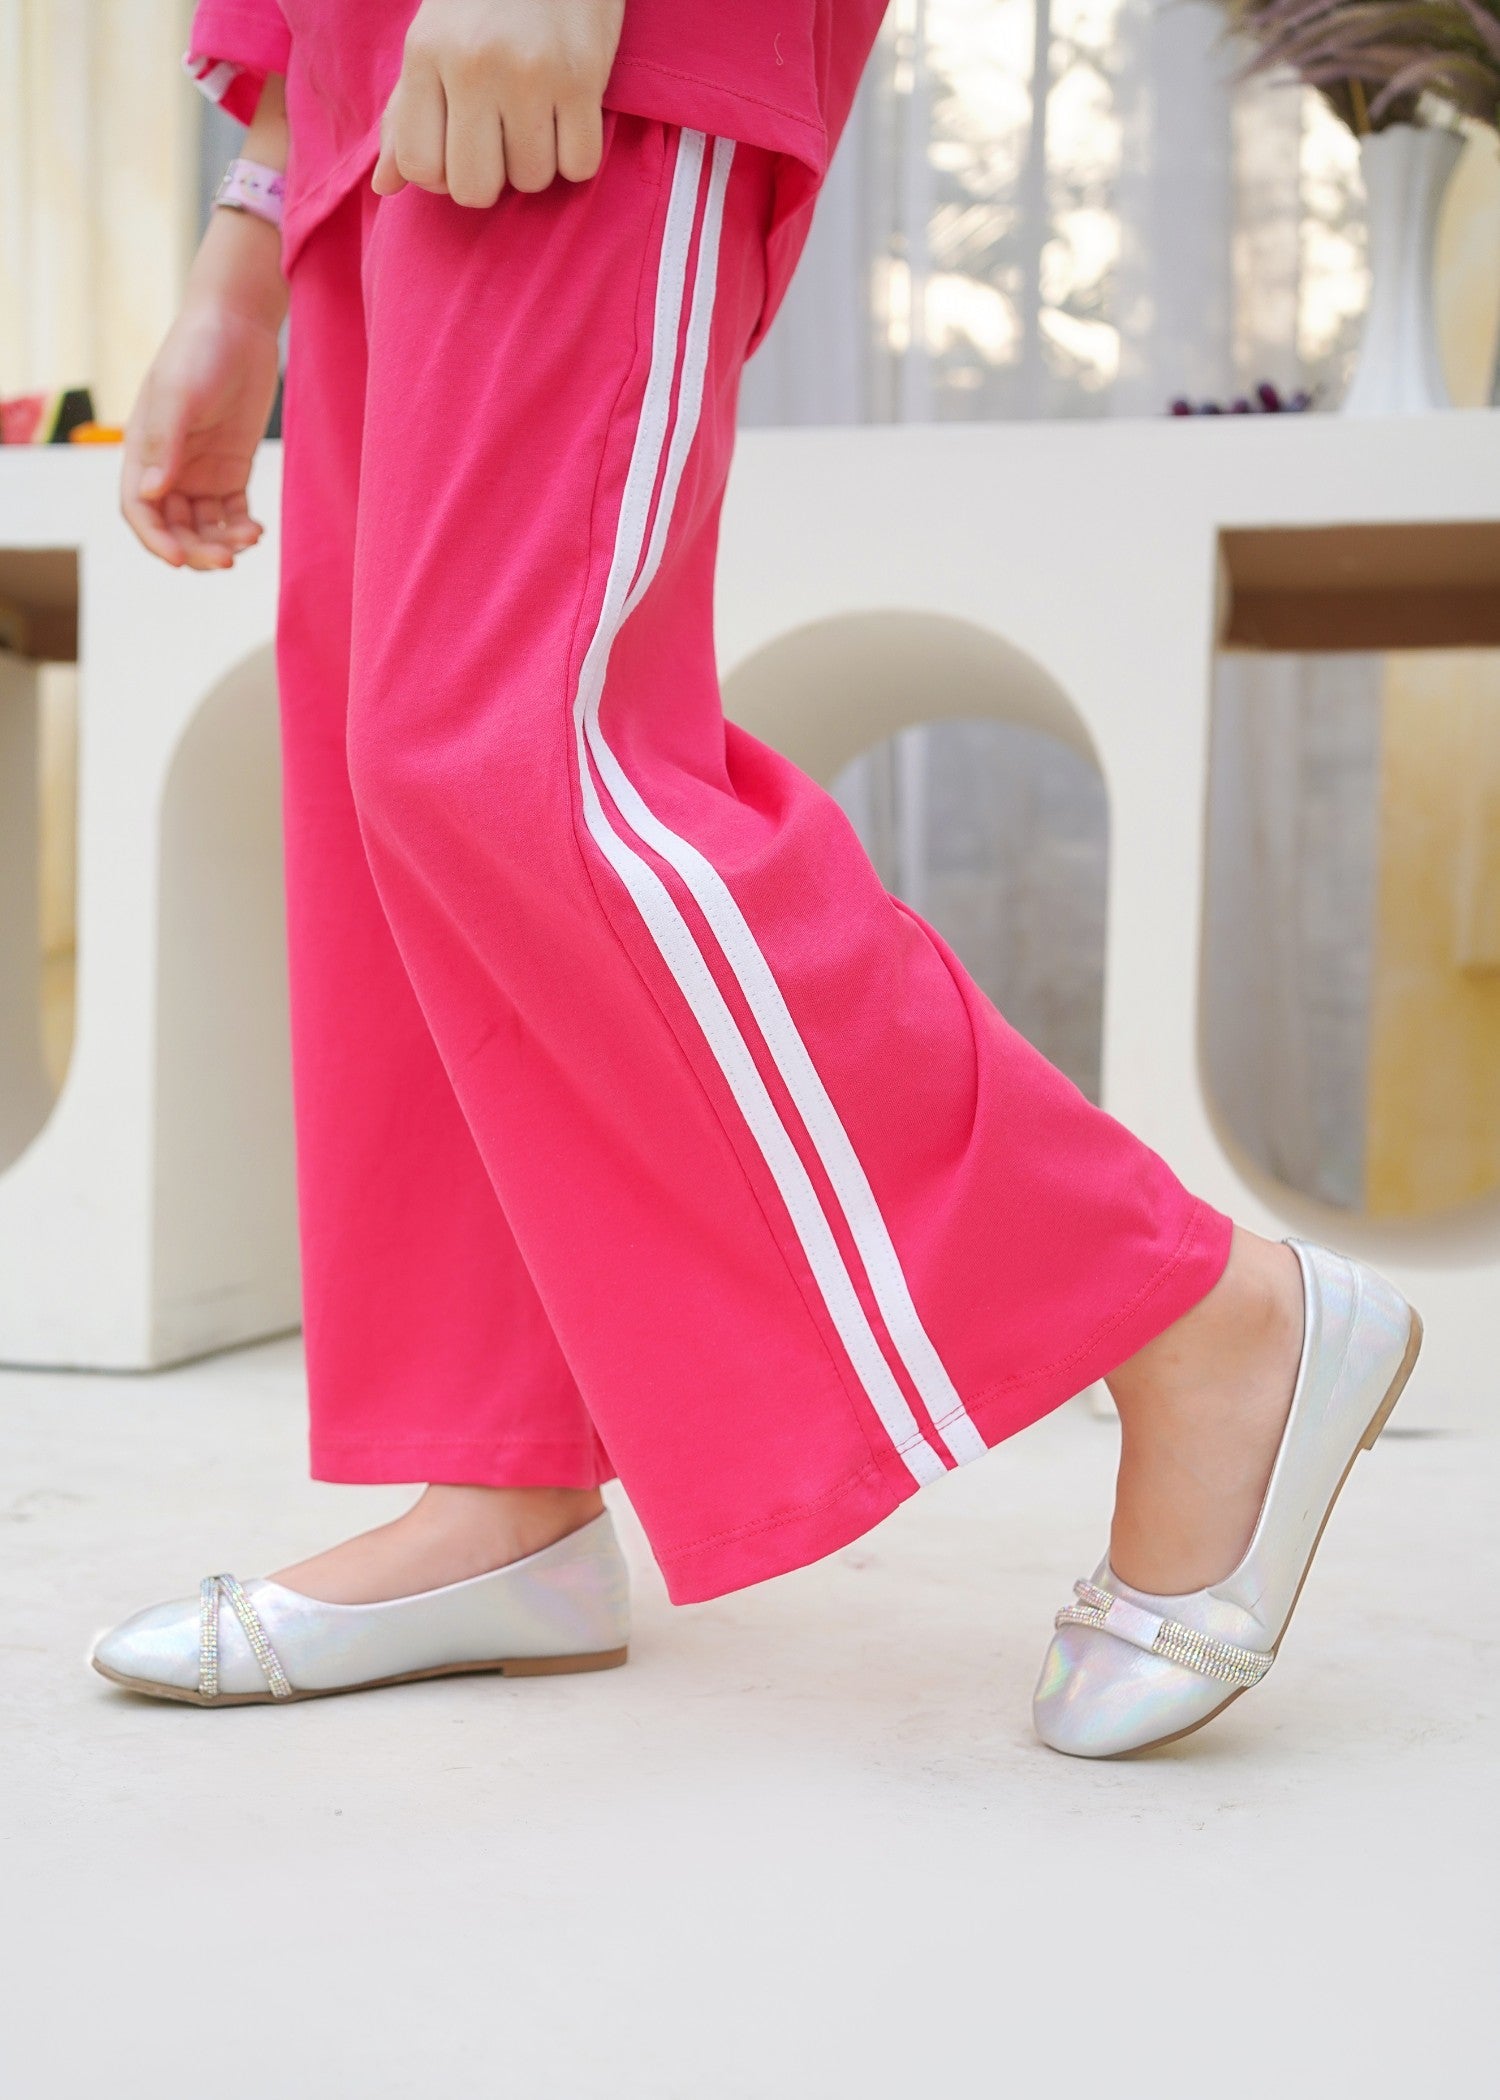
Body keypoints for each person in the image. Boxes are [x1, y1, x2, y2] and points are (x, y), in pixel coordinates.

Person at [90, 0, 1421, 1756]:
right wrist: (252, 228)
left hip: (584, 49)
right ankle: (501, 1493)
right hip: (356, 96)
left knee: (506, 746)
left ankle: (1196, 1312)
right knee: (389, 796)